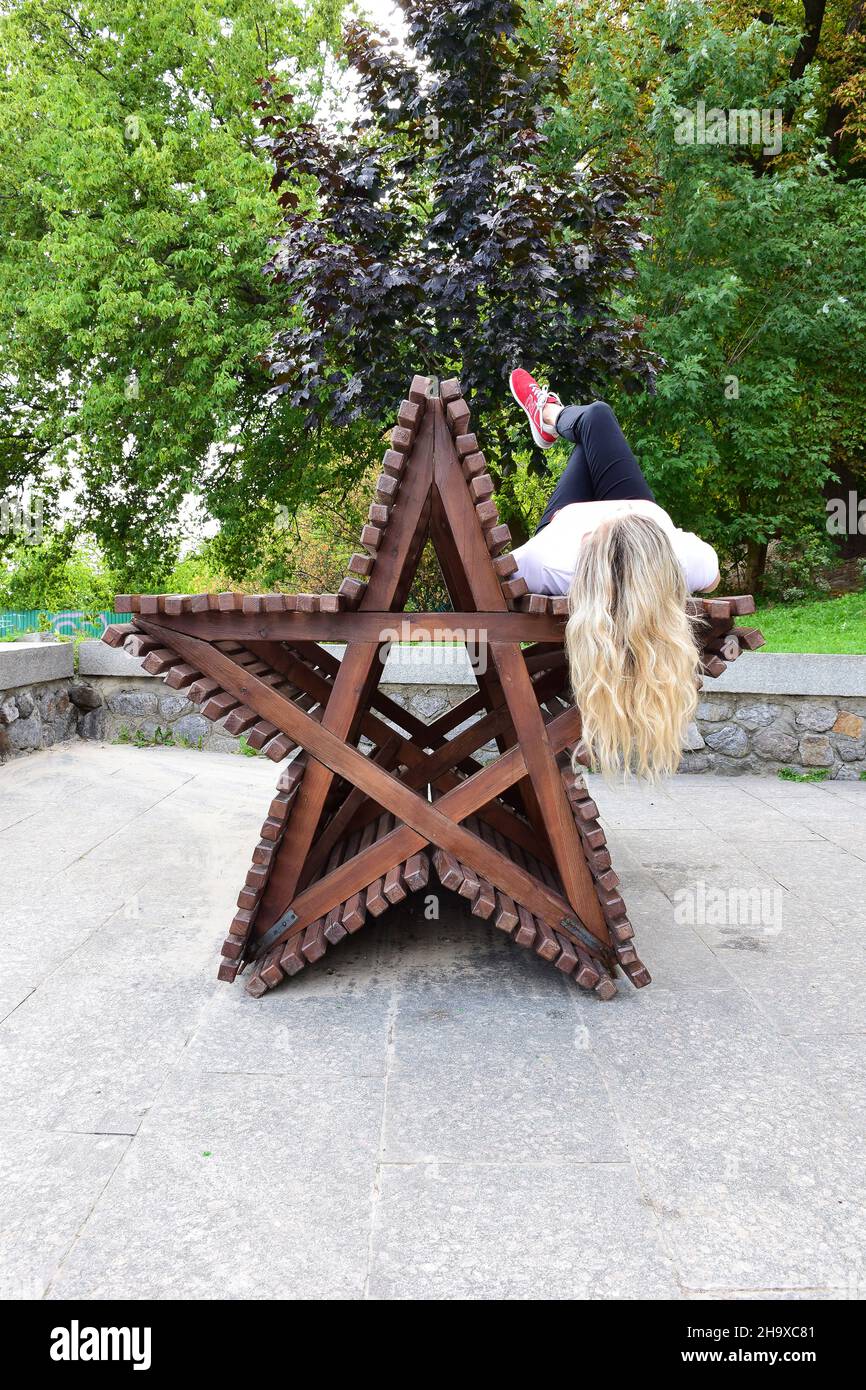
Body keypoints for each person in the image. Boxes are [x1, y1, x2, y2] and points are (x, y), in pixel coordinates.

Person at [508, 369, 721, 782]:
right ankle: (547, 415)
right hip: (638, 514)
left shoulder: (557, 559)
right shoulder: (673, 558)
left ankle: (547, 413)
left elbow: (502, 573)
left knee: (597, 419)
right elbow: (711, 578)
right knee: (595, 426)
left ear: (588, 543)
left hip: (578, 518)